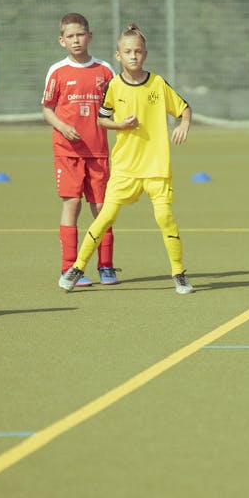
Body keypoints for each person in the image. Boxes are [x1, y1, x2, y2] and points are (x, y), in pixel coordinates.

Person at [58, 24, 194, 295]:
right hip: (126, 168)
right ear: (118, 55)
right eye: (127, 52)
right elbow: (102, 118)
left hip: (156, 167)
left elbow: (184, 108)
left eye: (138, 51)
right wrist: (120, 125)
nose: (133, 56)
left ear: (145, 54)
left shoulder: (157, 83)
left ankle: (179, 273)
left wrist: (183, 124)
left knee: (165, 217)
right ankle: (77, 267)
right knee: (105, 216)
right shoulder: (113, 86)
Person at [42, 12, 117, 286]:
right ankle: (69, 268)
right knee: (72, 204)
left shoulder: (105, 70)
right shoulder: (57, 71)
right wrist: (63, 127)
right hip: (68, 151)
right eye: (70, 36)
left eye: (80, 35)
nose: (76, 40)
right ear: (62, 40)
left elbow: (114, 107)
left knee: (102, 208)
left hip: (98, 151)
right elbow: (47, 109)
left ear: (90, 36)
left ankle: (106, 266)